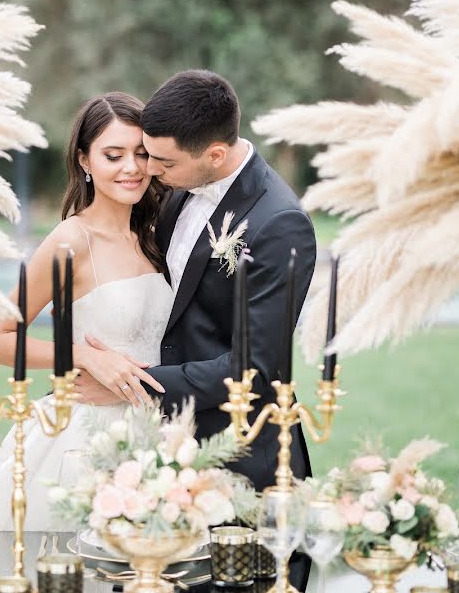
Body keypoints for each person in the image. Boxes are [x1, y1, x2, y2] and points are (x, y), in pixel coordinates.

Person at [75, 69, 317, 492]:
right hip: (156, 446)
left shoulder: (279, 223)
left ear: (215, 155)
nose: (148, 170)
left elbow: (255, 370)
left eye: (163, 162)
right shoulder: (178, 183)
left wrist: (134, 387)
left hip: (238, 448)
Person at [0, 92, 174, 530]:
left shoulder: (153, 235)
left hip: (157, 428)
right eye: (113, 155)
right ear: (85, 161)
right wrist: (83, 357)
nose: (131, 167)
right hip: (85, 435)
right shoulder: (72, 240)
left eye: (141, 154)